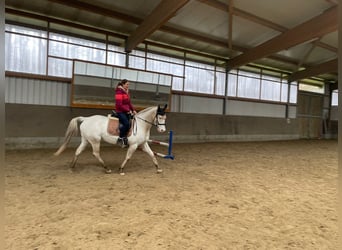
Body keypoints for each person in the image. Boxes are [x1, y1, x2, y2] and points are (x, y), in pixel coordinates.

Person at [115, 79, 137, 147]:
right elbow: (119, 104)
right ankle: (120, 137)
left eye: (128, 84)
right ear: (123, 84)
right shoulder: (119, 92)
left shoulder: (126, 92)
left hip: (126, 111)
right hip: (120, 111)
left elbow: (129, 103)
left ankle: (126, 139)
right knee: (126, 124)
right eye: (127, 84)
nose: (128, 86)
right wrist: (128, 110)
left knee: (130, 124)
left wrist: (133, 110)